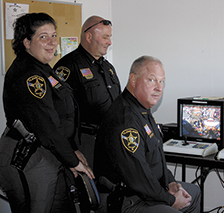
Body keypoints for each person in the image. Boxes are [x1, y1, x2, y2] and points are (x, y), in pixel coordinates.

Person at [0, 12, 94, 213]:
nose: (52, 42)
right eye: (43, 37)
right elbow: (47, 125)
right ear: (26, 42)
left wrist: (70, 150)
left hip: (50, 152)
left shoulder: (43, 68)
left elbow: (60, 118)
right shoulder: (29, 75)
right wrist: (72, 160)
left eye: (54, 35)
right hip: (28, 157)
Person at [94, 56, 201, 213]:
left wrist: (171, 183)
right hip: (127, 199)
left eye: (161, 81)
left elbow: (156, 156)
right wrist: (171, 200)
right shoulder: (125, 121)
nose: (159, 87)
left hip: (147, 190)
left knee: (194, 193)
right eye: (152, 80)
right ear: (133, 80)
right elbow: (138, 177)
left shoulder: (141, 109)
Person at [54, 15, 121, 169]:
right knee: (88, 189)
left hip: (109, 139)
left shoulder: (108, 68)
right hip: (85, 142)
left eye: (109, 37)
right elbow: (59, 113)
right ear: (89, 36)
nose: (109, 42)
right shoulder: (68, 66)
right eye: (105, 37)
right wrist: (72, 148)